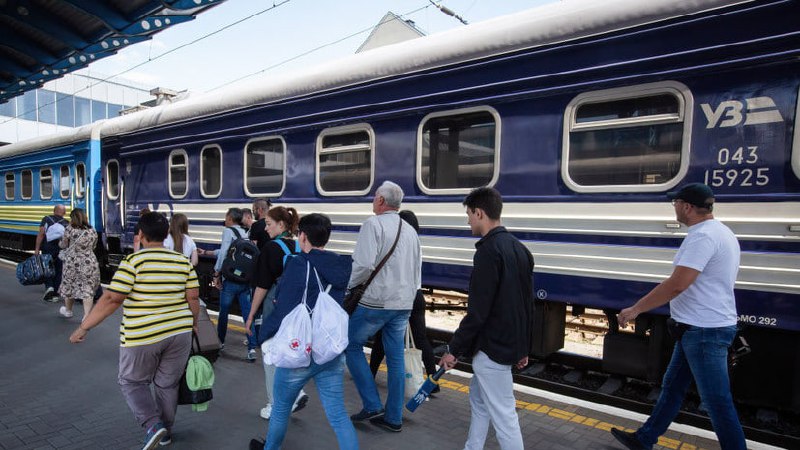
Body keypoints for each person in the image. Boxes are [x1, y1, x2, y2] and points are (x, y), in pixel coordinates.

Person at [610, 183, 746, 450]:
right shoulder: (721, 232)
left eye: (675, 203)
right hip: (694, 330)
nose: (673, 207)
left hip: (704, 331)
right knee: (672, 388)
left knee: (717, 402)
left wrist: (636, 308)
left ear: (687, 207)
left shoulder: (703, 237)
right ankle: (644, 439)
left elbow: (677, 284)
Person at [69, 212, 200, 450]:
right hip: (180, 331)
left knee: (131, 382)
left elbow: (111, 299)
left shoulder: (133, 262)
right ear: (165, 235)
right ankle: (166, 432)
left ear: (140, 234)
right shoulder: (182, 262)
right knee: (166, 385)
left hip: (143, 334)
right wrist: (193, 323)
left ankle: (152, 426)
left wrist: (83, 327)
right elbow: (193, 296)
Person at [249, 213, 357, 450]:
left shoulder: (299, 264)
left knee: (279, 409)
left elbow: (284, 309)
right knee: (338, 414)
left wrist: (263, 334)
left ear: (303, 236)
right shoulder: (340, 265)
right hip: (329, 351)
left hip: (301, 352)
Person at [439, 187, 533, 450]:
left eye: (469, 214)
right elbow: (527, 306)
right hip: (504, 346)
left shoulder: (488, 252)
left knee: (504, 416)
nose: (468, 220)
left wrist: (453, 350)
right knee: (480, 404)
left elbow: (478, 312)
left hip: (491, 350)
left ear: (479, 213)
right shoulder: (520, 250)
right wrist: (524, 346)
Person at [345, 181, 421, 432]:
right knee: (396, 358)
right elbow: (416, 269)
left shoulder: (373, 224)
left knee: (351, 345)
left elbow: (364, 265)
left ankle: (371, 403)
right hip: (403, 303)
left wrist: (349, 288)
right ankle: (393, 418)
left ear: (380, 200)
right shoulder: (410, 230)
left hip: (375, 303)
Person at [245, 206, 308, 420]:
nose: (265, 228)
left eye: (269, 224)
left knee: (269, 351)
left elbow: (262, 286)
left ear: (281, 225)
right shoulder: (300, 246)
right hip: (297, 308)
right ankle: (296, 392)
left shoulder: (272, 248)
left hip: (276, 307)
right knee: (287, 352)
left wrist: (252, 314)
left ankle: (274, 403)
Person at [369, 210, 437, 382]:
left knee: (383, 337)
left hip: (398, 296)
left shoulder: (400, 245)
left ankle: (370, 374)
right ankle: (433, 380)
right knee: (421, 339)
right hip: (416, 294)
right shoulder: (416, 244)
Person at [213, 207, 258, 361]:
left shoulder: (228, 231)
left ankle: (220, 342)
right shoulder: (246, 233)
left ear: (230, 218)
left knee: (224, 312)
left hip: (230, 280)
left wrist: (216, 273)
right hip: (245, 281)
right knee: (247, 313)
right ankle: (252, 348)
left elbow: (225, 252)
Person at [57, 208, 100, 321]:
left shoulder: (69, 229)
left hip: (72, 262)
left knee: (69, 285)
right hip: (89, 261)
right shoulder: (92, 230)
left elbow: (63, 245)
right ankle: (86, 316)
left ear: (73, 218)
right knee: (87, 288)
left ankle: (68, 311)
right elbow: (94, 246)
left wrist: (59, 243)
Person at [34, 204, 68, 302]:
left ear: (54, 211)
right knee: (59, 269)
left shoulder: (46, 219)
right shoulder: (66, 222)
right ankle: (56, 292)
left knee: (47, 268)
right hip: (60, 249)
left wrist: (37, 249)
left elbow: (41, 234)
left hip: (47, 248)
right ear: (64, 213)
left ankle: (49, 287)